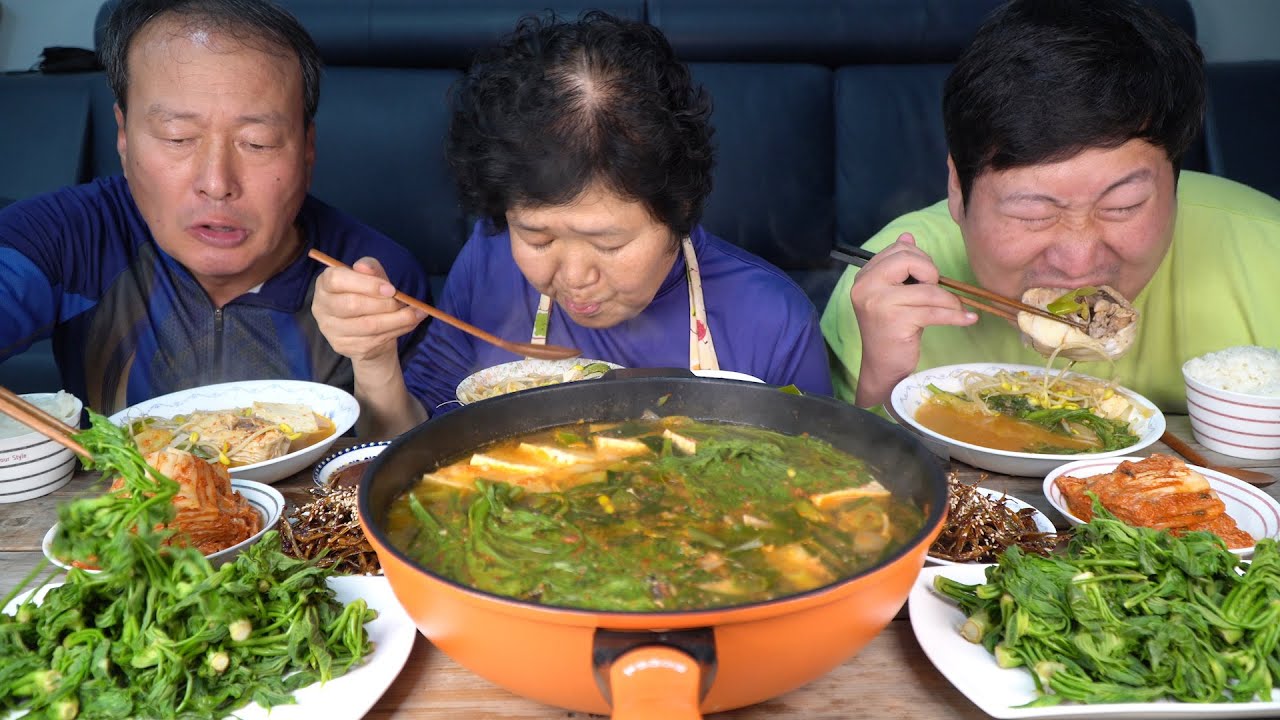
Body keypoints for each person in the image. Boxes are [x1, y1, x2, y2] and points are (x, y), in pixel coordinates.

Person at [314, 11, 833, 437]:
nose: (575, 277)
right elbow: (409, 447)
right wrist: (374, 359)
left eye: (608, 244)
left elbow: (820, 481)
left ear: (678, 212)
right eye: (537, 237)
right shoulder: (489, 259)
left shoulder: (773, 318)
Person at [821, 0, 1280, 414]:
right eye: (1034, 214)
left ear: (1176, 183)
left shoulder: (1269, 252)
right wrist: (882, 383)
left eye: (1123, 206)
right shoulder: (887, 294)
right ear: (958, 189)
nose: (1078, 264)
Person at [0, 0, 430, 413]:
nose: (217, 184)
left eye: (257, 143)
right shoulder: (64, 236)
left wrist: (375, 360)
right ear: (124, 137)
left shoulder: (375, 279)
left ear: (307, 148)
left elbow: (411, 448)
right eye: (178, 137)